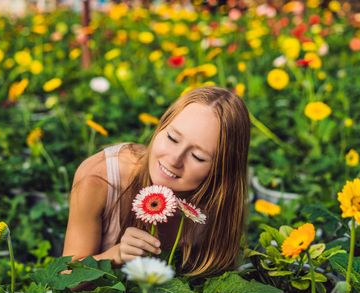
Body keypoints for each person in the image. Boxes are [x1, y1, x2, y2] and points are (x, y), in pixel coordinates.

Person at [62, 86, 250, 276]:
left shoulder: (219, 204)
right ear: (161, 127)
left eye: (198, 156)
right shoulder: (101, 176)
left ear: (221, 170)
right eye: (172, 138)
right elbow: (65, 280)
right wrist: (116, 255)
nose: (174, 159)